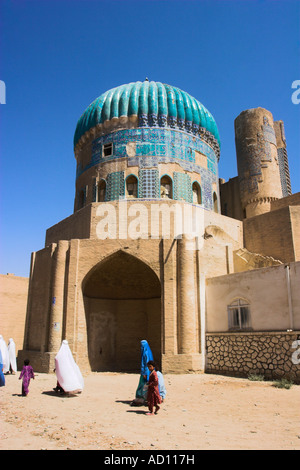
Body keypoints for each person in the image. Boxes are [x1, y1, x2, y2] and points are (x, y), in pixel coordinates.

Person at [131, 339, 153, 406]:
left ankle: (141, 398)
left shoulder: (145, 352)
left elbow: (146, 364)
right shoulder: (148, 351)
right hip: (148, 371)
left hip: (145, 372)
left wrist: (145, 373)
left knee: (143, 385)